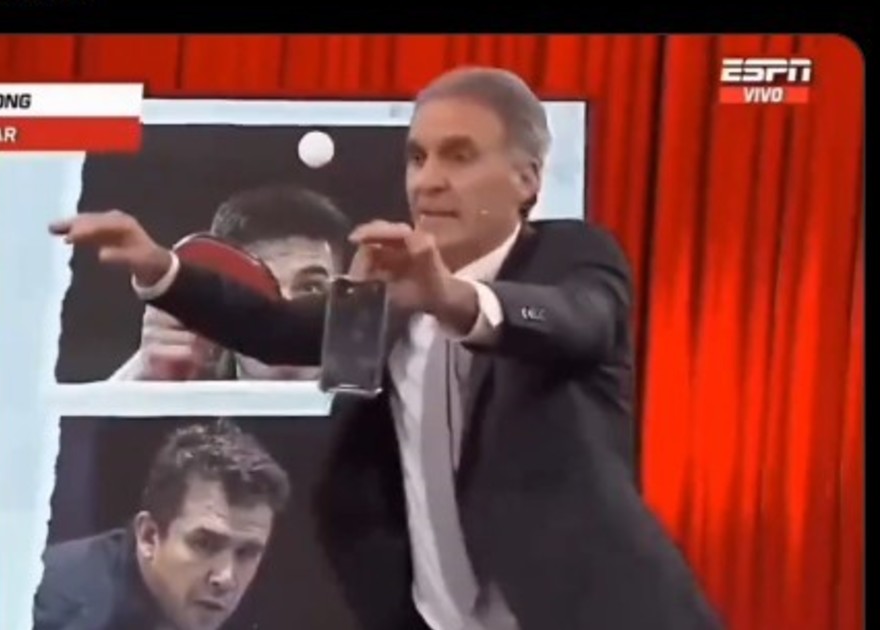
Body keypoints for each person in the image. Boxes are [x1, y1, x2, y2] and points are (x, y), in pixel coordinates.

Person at [49, 66, 722, 630]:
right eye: (418, 157)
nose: (428, 181)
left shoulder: (573, 254)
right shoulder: (387, 291)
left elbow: (578, 322)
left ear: (527, 179)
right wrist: (161, 270)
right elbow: (275, 327)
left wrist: (451, 297)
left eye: (459, 156)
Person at [33, 420, 291, 630]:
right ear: (149, 536)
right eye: (204, 544)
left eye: (246, 553)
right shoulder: (48, 609)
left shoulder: (246, 608)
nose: (225, 578)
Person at [108, 184, 351, 382]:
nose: (284, 312)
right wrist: (142, 375)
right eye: (257, 288)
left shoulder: (371, 396)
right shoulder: (192, 393)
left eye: (310, 288)